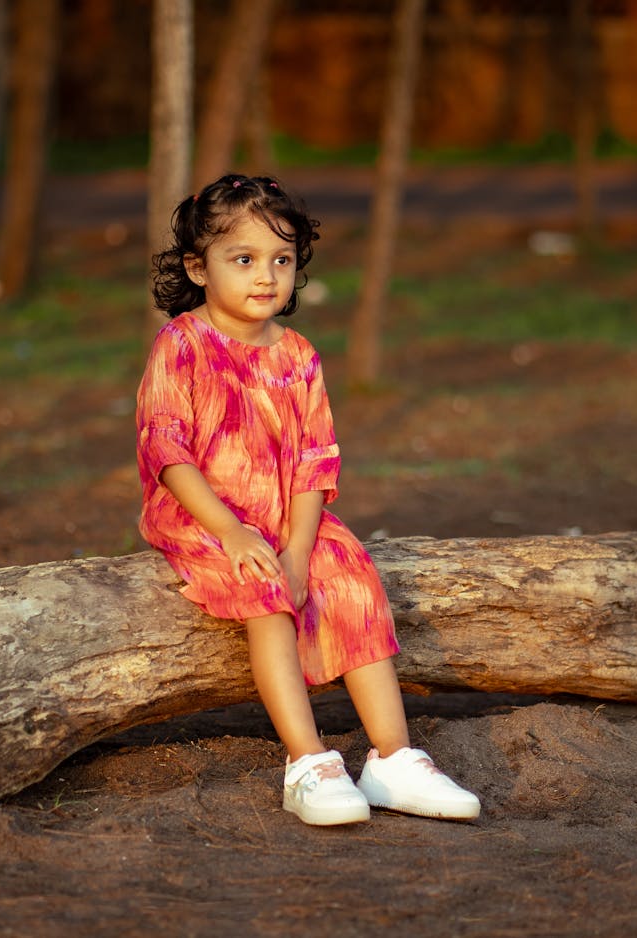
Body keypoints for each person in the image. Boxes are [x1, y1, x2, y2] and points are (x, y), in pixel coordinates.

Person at [136, 173, 480, 827]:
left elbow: (313, 463)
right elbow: (169, 453)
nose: (265, 277)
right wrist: (235, 535)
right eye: (243, 259)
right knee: (267, 594)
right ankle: (308, 762)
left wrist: (299, 547)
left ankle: (392, 758)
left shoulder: (297, 356)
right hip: (202, 514)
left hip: (284, 514)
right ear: (197, 267)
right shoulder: (181, 346)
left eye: (281, 260)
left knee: (351, 576)